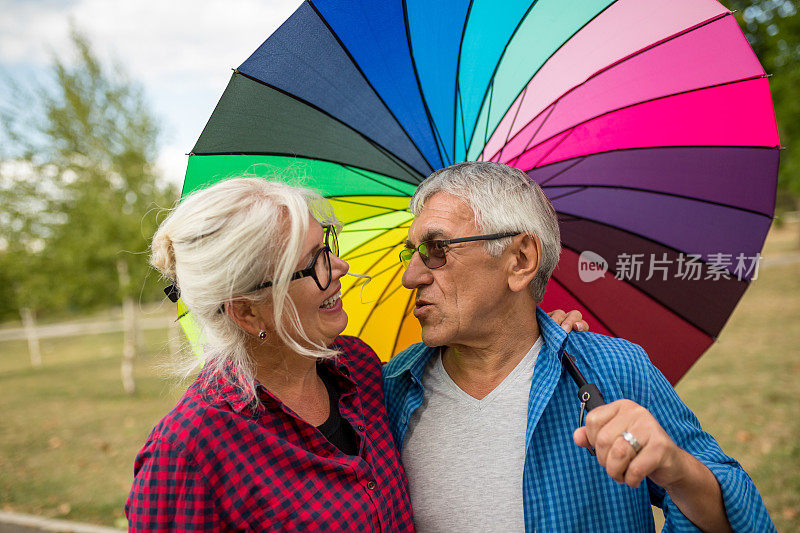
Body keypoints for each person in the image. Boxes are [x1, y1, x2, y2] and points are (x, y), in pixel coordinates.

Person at [383, 161, 775, 532]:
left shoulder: (615, 370)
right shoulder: (388, 391)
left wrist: (675, 467)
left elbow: (744, 521)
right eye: (411, 252)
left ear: (520, 260)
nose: (410, 276)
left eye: (437, 250)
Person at [125, 178, 415, 531]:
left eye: (326, 245)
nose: (339, 267)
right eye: (313, 263)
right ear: (247, 312)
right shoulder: (186, 456)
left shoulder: (358, 364)